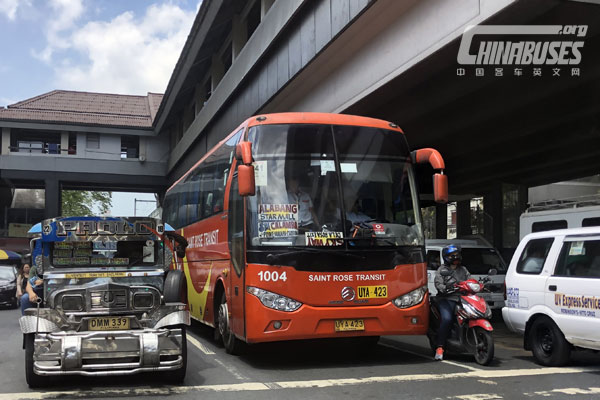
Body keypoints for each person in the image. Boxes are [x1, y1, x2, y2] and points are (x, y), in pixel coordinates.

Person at [433, 244, 471, 361]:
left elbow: (470, 280)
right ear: (446, 257)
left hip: (462, 299)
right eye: (452, 255)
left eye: (457, 254)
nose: (455, 257)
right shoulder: (442, 270)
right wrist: (445, 288)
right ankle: (440, 347)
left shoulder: (463, 270)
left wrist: (477, 285)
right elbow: (439, 284)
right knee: (447, 319)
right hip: (446, 299)